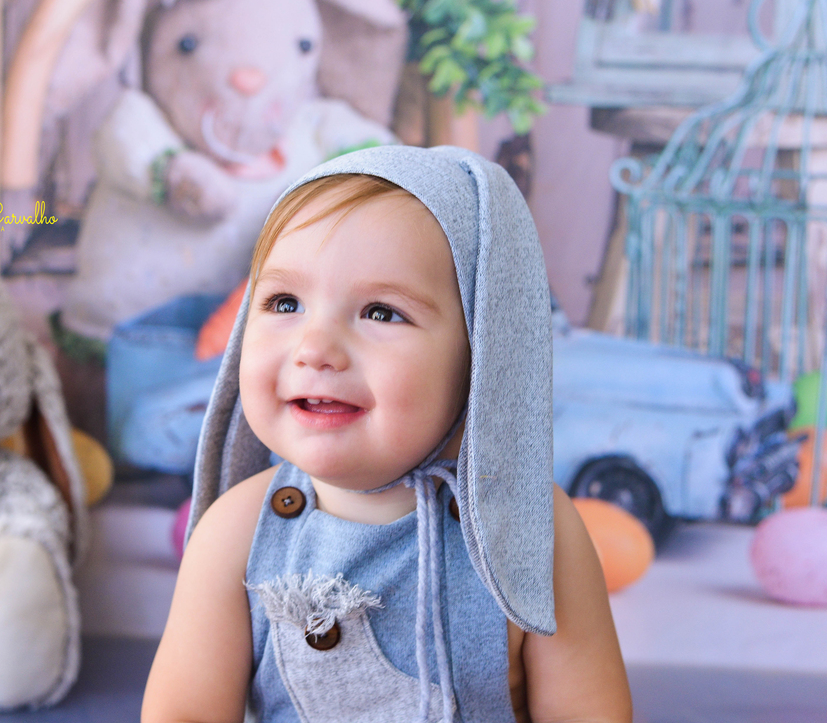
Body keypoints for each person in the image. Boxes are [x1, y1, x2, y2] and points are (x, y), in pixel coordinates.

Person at [142, 145, 632, 723]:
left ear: (482, 350)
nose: (315, 349)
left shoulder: (529, 530)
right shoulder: (236, 533)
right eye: (285, 302)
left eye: (380, 312)